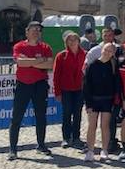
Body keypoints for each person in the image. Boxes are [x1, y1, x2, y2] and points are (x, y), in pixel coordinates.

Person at [8, 21, 54, 160]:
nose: (36, 32)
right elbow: (20, 63)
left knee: (41, 116)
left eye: (38, 30)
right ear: (27, 32)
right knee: (17, 117)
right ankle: (13, 149)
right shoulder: (19, 46)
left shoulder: (45, 47)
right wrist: (39, 61)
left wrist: (30, 62)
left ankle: (41, 145)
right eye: (33, 29)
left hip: (40, 85)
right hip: (23, 85)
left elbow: (49, 64)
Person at [82, 42, 120, 162]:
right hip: (93, 100)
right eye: (106, 50)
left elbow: (117, 84)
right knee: (92, 126)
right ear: (102, 50)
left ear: (113, 53)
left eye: (110, 51)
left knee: (105, 126)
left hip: (107, 100)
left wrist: (116, 100)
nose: (107, 53)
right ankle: (90, 151)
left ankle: (104, 150)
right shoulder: (92, 65)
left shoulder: (113, 66)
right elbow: (86, 85)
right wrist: (88, 103)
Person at [53, 31, 86, 149]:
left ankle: (76, 137)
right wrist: (57, 92)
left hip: (80, 89)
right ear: (66, 42)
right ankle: (66, 138)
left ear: (78, 41)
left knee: (78, 114)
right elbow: (56, 75)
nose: (72, 42)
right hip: (66, 89)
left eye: (74, 39)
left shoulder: (85, 54)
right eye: (69, 40)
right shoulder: (61, 56)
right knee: (66, 114)